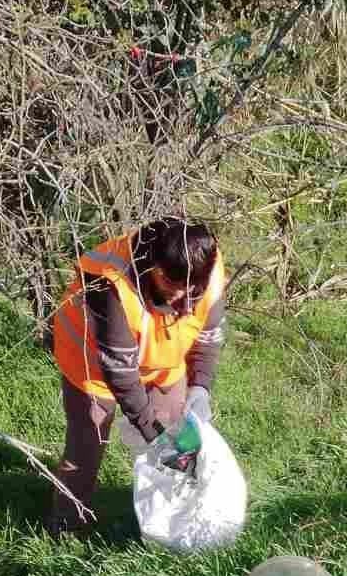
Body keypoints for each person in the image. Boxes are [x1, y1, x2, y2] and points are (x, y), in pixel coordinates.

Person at [48, 217, 226, 533]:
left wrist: (200, 386)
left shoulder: (205, 268)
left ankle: (171, 524)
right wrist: (151, 432)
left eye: (188, 291)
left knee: (179, 441)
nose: (178, 298)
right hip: (91, 365)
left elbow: (208, 335)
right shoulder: (109, 282)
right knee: (85, 446)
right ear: (152, 265)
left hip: (162, 362)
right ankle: (66, 525)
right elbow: (120, 371)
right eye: (170, 285)